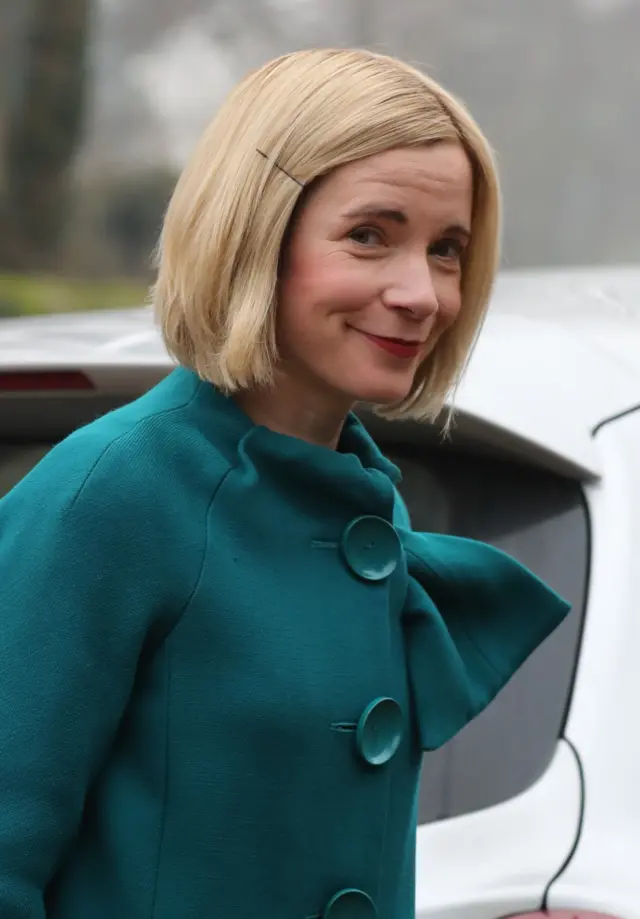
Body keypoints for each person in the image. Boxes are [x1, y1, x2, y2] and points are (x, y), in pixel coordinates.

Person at [0, 48, 569, 919]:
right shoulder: (114, 492)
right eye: (371, 234)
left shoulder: (360, 499)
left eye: (447, 248)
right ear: (257, 229)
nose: (423, 292)